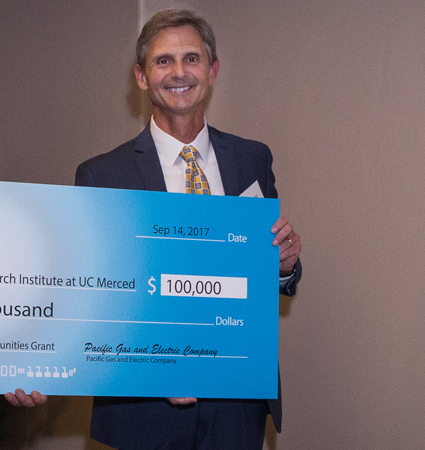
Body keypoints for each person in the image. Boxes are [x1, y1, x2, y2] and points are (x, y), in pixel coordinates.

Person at [74, 9, 302, 450]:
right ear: (141, 77)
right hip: (145, 410)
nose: (179, 72)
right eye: (163, 61)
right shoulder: (102, 175)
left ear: (212, 71)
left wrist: (283, 265)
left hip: (236, 400)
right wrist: (153, 367)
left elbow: (264, 268)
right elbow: (96, 298)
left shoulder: (252, 158)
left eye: (191, 59)